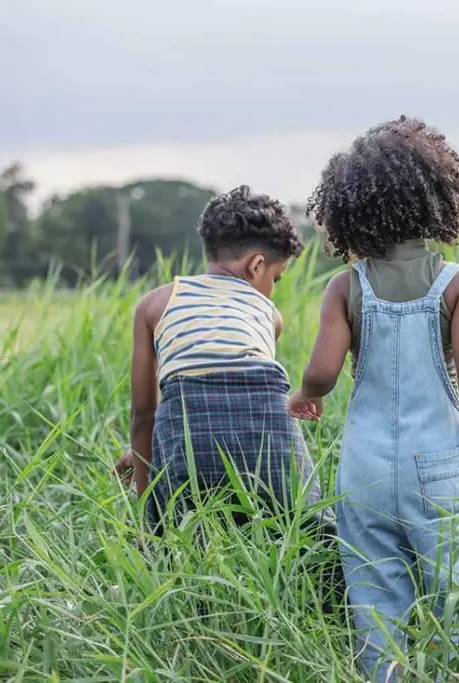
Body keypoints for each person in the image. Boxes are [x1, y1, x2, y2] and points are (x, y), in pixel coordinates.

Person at [288, 115, 459, 681]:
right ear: (437, 199)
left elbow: (321, 370)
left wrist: (305, 396)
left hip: (362, 470)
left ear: (350, 210)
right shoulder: (455, 283)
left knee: (375, 604)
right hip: (439, 467)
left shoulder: (346, 286)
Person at [113, 185, 337, 565]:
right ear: (256, 266)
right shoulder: (269, 315)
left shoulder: (153, 304)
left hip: (185, 425)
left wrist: (145, 503)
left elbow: (145, 412)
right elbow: (246, 389)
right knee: (310, 527)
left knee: (177, 535)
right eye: (276, 279)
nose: (272, 290)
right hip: (266, 425)